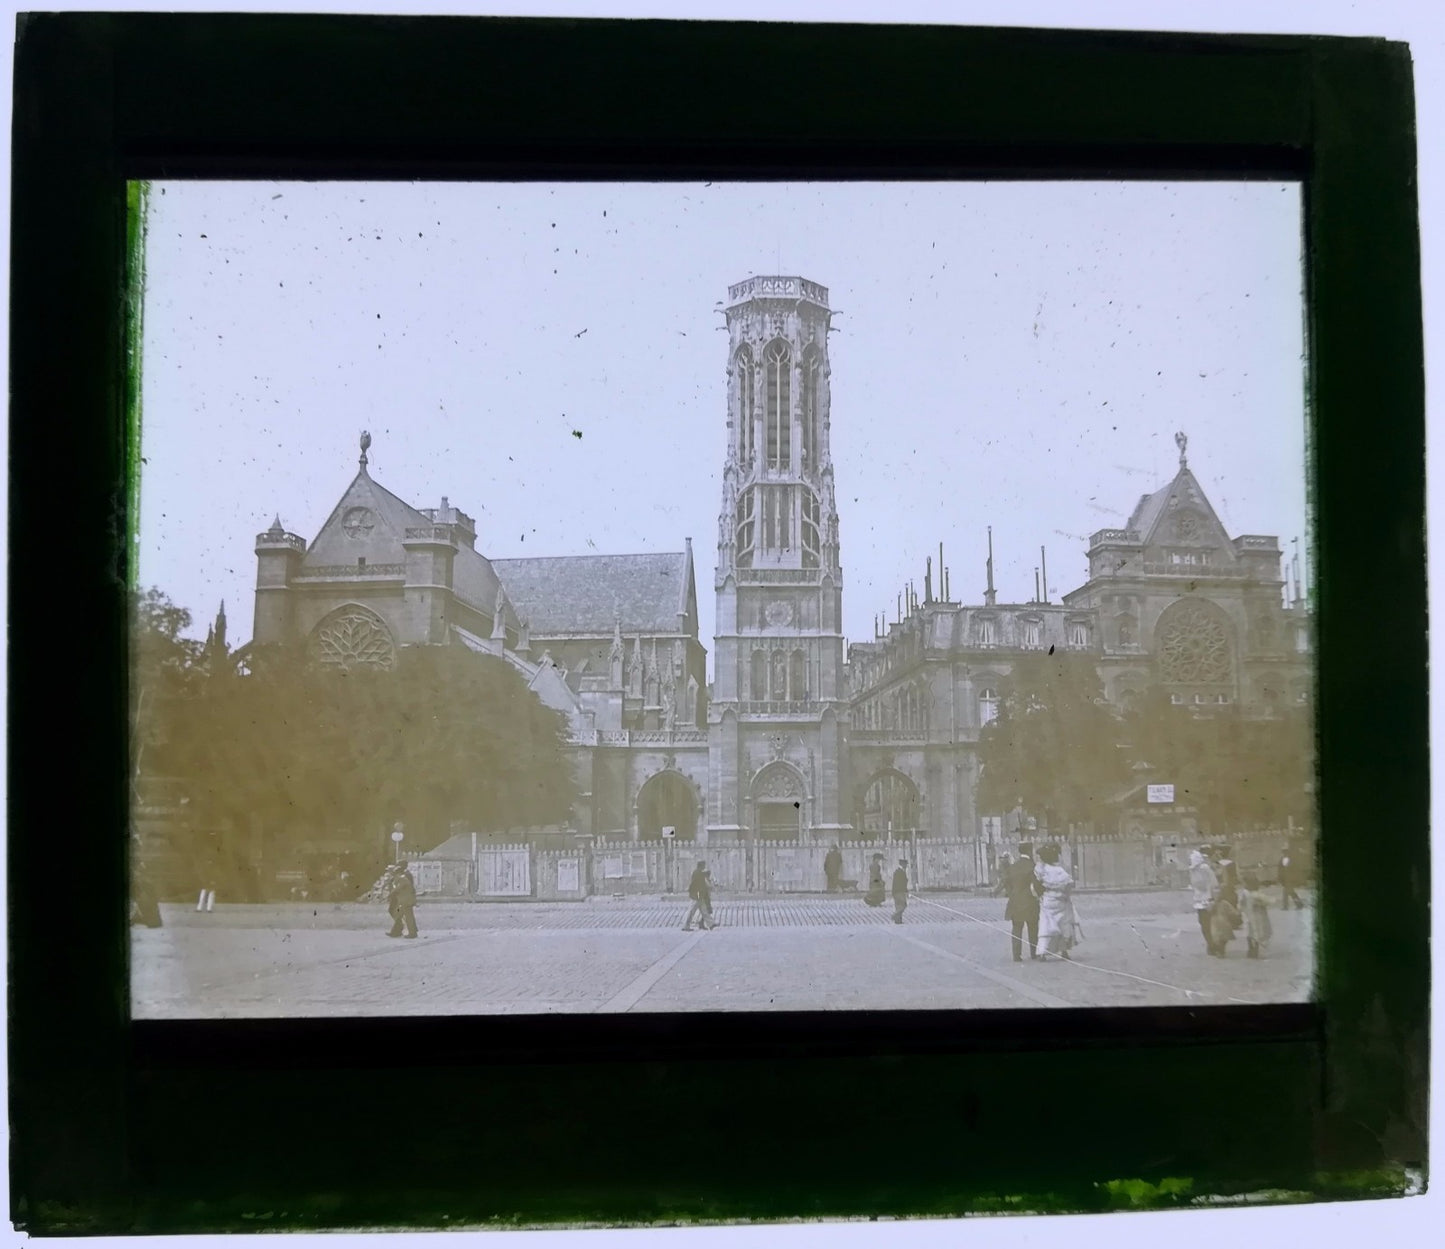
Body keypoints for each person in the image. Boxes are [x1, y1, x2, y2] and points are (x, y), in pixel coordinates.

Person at [1033, 844, 1078, 960]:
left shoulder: (1042, 870)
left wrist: (1039, 896)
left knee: (1045, 925)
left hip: (1048, 900)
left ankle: (1042, 952)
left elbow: (1035, 886)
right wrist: (1066, 896)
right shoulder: (1060, 871)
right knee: (1063, 925)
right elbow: (1068, 885)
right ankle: (1064, 951)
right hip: (1061, 901)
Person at [1003, 848, 1040, 962]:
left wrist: (1011, 894)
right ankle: (1034, 953)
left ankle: (1016, 955)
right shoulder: (1032, 866)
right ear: (1029, 852)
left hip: (1015, 902)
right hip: (1030, 902)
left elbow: (1006, 882)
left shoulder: (1013, 867)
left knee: (1016, 928)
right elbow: (1036, 884)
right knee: (1033, 928)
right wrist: (1039, 894)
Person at [1189, 849, 1220, 955]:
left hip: (1208, 898)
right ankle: (1210, 944)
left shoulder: (1204, 868)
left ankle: (1214, 945)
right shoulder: (1193, 870)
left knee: (1210, 924)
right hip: (1199, 900)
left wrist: (1214, 898)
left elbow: (1213, 883)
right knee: (1204, 924)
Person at [1238, 871, 1272, 959]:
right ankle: (1255, 950)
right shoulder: (1257, 893)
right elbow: (1267, 902)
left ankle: (1251, 950)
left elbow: (1241, 904)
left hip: (1249, 916)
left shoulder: (1245, 893)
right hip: (1258, 917)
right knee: (1257, 933)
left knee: (1249, 933)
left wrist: (1240, 911)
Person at [386, 863, 418, 938]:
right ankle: (399, 931)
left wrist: (390, 894)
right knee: (402, 916)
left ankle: (411, 933)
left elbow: (397, 889)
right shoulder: (402, 879)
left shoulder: (402, 879)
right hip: (405, 901)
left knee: (407, 917)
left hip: (406, 901)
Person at [683, 860, 715, 931]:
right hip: (697, 895)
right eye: (703, 865)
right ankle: (686, 926)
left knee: (704, 911)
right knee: (692, 911)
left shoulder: (698, 873)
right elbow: (696, 884)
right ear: (701, 866)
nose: (704, 866)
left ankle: (711, 924)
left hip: (699, 895)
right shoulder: (698, 873)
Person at [891, 858, 909, 924]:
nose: (907, 866)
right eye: (906, 864)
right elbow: (901, 883)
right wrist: (905, 891)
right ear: (903, 864)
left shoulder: (899, 871)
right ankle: (894, 916)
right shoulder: (900, 872)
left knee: (898, 906)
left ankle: (898, 920)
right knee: (903, 905)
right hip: (899, 891)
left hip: (896, 891)